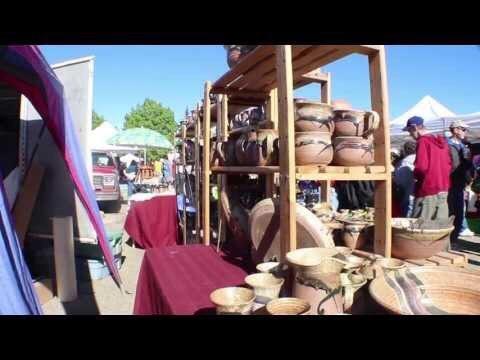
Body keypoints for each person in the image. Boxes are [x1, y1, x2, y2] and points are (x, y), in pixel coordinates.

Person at [403, 116, 451, 221]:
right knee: (439, 227)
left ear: (414, 128)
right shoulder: (443, 143)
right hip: (443, 188)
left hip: (428, 189)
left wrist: (415, 175)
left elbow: (421, 167)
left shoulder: (423, 141)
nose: (410, 134)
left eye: (410, 131)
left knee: (420, 228)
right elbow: (448, 165)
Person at [447, 120, 475, 242]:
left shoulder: (464, 146)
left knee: (459, 213)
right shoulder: (446, 145)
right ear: (455, 130)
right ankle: (448, 239)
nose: (465, 132)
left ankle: (454, 239)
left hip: (460, 184)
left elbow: (467, 165)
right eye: (463, 129)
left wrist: (470, 176)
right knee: (450, 212)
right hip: (449, 184)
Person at [393, 141, 416, 217]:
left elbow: (399, 182)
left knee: (408, 221)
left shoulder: (404, 162)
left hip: (409, 197)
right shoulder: (421, 158)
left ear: (405, 150)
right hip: (421, 196)